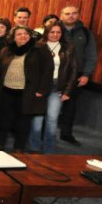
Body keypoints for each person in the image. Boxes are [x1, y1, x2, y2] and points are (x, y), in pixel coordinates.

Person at [0, 26, 53, 152]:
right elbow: (0, 69)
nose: (23, 36)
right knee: (3, 120)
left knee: (23, 122)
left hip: (27, 92)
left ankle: (19, 148)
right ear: (13, 37)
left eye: (26, 34)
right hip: (7, 90)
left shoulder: (39, 49)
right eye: (19, 34)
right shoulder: (6, 50)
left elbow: (48, 70)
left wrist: (42, 90)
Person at [29, 23, 78, 153]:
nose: (55, 35)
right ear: (46, 33)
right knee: (37, 118)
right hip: (39, 87)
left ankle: (48, 149)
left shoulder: (68, 48)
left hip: (57, 87)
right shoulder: (38, 46)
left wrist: (67, 91)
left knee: (52, 119)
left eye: (58, 32)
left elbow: (73, 70)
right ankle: (34, 147)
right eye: (52, 32)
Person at [58, 5, 98, 146]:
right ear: (61, 15)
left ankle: (66, 134)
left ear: (78, 15)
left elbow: (91, 55)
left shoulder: (86, 33)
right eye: (67, 13)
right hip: (55, 73)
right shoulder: (54, 30)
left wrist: (87, 74)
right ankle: (45, 133)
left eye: (74, 13)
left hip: (77, 74)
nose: (71, 16)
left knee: (70, 105)